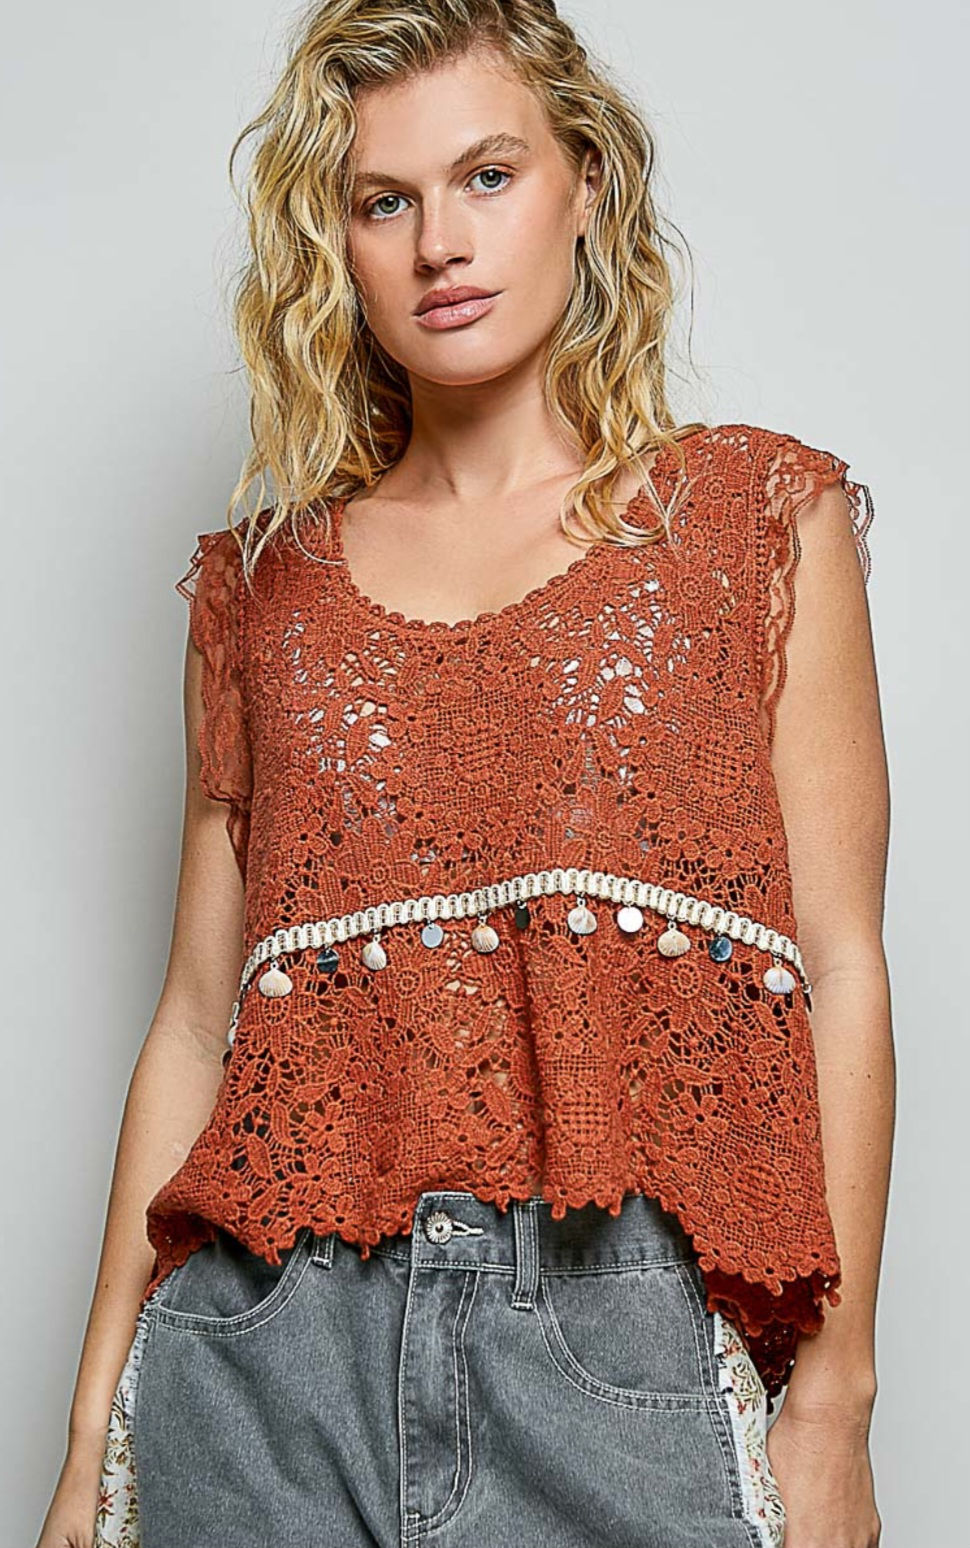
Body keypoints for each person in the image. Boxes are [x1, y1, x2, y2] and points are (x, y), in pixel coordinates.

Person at [37, 3, 893, 1546]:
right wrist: (89, 1448)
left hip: (620, 1343)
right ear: (340, 246)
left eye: (487, 175)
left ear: (585, 184)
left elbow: (838, 963)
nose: (440, 242)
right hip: (265, 1356)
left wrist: (833, 1404)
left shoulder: (750, 523)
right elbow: (192, 1019)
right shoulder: (263, 594)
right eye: (386, 200)